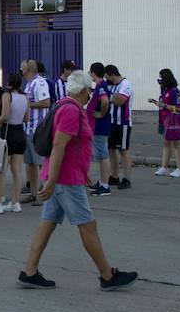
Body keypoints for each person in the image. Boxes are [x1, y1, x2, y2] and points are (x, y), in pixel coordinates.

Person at [17, 70, 138, 292]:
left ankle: (29, 272)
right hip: (64, 180)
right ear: (83, 90)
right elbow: (59, 145)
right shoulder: (71, 110)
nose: (90, 94)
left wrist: (81, 173)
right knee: (87, 225)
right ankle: (107, 275)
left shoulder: (63, 105)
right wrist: (53, 180)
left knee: (47, 224)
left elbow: (70, 147)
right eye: (89, 91)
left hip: (66, 176)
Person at [0, 72, 27, 213]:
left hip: (8, 134)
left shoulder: (7, 96)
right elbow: (26, 118)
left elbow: (5, 116)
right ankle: (15, 202)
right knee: (17, 171)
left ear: (8, 83)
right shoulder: (24, 97)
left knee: (0, 170)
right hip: (20, 132)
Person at [19, 60, 51, 203]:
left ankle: (46, 194)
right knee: (30, 163)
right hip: (27, 128)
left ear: (29, 68)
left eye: (22, 67)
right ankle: (33, 193)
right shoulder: (28, 83)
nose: (20, 69)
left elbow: (46, 103)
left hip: (38, 129)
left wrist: (27, 104)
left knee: (40, 163)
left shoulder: (40, 82)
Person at [151, 69, 180, 177]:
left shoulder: (174, 91)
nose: (159, 79)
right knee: (166, 143)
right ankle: (164, 167)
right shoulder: (164, 90)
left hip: (173, 120)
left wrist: (162, 105)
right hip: (164, 119)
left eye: (161, 77)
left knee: (177, 144)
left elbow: (178, 108)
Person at [85, 62, 114, 195]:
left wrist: (101, 114)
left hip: (99, 125)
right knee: (102, 155)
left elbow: (105, 101)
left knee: (103, 155)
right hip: (97, 125)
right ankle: (103, 182)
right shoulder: (100, 85)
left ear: (93, 73)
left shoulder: (101, 86)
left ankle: (105, 185)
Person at [105, 64, 133, 189]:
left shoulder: (125, 84)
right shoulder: (112, 85)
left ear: (112, 74)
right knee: (111, 149)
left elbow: (120, 101)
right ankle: (114, 176)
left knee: (123, 150)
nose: (106, 79)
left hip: (123, 122)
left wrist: (109, 97)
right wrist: (113, 97)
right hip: (111, 121)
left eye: (107, 76)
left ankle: (126, 178)